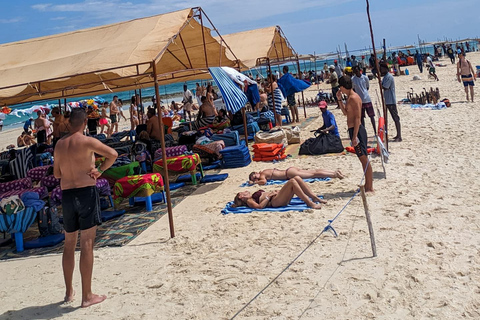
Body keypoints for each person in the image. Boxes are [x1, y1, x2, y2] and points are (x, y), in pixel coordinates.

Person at [54, 108, 117, 308]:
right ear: (84, 123)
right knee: (87, 243)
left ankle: (68, 292)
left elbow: (56, 174)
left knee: (69, 243)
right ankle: (87, 295)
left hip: (67, 195)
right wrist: (99, 170)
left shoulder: (59, 144)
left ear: (69, 123)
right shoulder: (87, 141)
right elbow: (113, 154)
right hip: (85, 193)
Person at [337, 75, 373, 193]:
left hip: (357, 130)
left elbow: (358, 118)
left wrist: (354, 136)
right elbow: (345, 113)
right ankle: (367, 185)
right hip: (353, 129)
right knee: (362, 158)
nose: (340, 89)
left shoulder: (354, 98)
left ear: (343, 86)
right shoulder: (349, 98)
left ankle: (370, 186)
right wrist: (339, 100)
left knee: (364, 159)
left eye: (340, 87)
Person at [233, 176, 325, 209]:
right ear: (240, 197)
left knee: (296, 178)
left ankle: (313, 197)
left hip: (276, 198)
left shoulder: (251, 198)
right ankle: (309, 203)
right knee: (292, 181)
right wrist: (269, 196)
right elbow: (260, 207)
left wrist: (275, 192)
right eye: (242, 192)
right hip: (274, 202)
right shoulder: (249, 201)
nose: (245, 191)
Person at [249, 166, 343, 185]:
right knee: (313, 171)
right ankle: (333, 171)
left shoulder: (262, 175)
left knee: (313, 174)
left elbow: (263, 182)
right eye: (255, 179)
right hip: (290, 170)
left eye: (255, 177)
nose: (256, 178)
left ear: (256, 173)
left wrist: (255, 183)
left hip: (289, 174)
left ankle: (334, 174)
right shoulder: (265, 170)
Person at [380, 63, 402, 142]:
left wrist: (380, 83)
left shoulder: (389, 77)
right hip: (387, 100)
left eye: (382, 69)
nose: (381, 70)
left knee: (395, 118)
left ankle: (399, 136)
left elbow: (385, 87)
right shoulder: (385, 77)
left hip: (391, 100)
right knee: (391, 117)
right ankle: (397, 135)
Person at [352, 66, 376, 135]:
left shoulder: (365, 78)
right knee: (361, 118)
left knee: (371, 116)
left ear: (360, 70)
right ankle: (364, 132)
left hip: (367, 99)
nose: (356, 73)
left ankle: (375, 131)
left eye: (357, 71)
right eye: (355, 71)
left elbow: (367, 87)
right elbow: (354, 89)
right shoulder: (353, 79)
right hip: (359, 101)